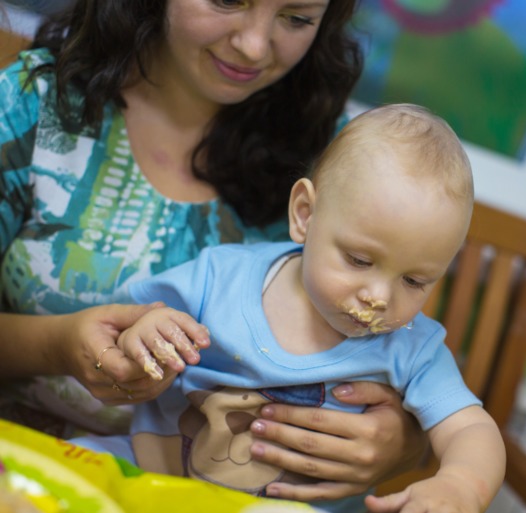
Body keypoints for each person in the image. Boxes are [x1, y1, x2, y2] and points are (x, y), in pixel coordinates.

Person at [0, 0, 427, 502]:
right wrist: (58, 345)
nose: (252, 46)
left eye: (296, 18)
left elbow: (406, 358)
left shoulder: (344, 162)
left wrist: (403, 441)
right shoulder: (35, 106)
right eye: (228, 0)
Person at [75, 104, 506, 513]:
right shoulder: (221, 278)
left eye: (414, 281)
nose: (379, 297)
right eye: (359, 260)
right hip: (152, 484)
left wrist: (462, 483)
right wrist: (145, 334)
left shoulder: (412, 347)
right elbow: (119, 331)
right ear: (305, 214)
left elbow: (471, 429)